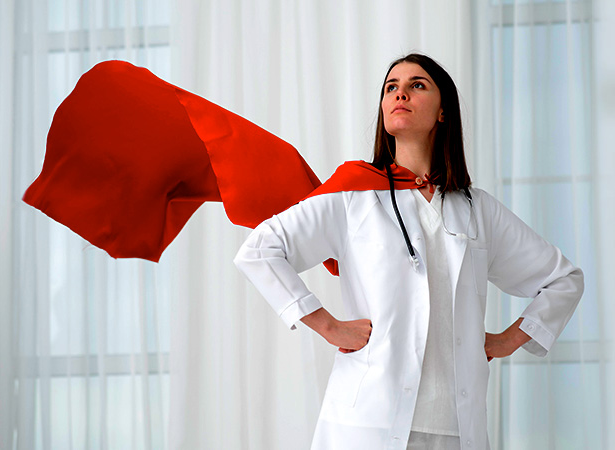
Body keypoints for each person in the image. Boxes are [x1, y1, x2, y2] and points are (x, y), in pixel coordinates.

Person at [233, 53, 584, 450]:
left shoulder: (477, 209)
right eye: (391, 87)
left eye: (417, 85)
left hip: (456, 429)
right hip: (368, 424)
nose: (400, 93)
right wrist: (330, 326)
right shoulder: (354, 195)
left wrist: (509, 339)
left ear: (442, 113)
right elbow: (260, 250)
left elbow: (563, 279)